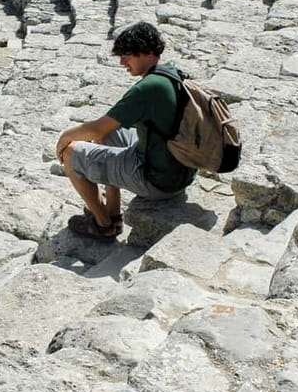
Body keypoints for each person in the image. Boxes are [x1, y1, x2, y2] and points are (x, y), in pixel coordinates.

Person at [55, 21, 196, 241]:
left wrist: (64, 138)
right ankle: (113, 213)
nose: (122, 62)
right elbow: (106, 129)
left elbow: (96, 127)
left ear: (147, 53)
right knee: (109, 134)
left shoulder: (148, 88)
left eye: (127, 55)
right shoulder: (172, 74)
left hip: (157, 182)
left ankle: (103, 225)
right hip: (178, 172)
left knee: (71, 152)